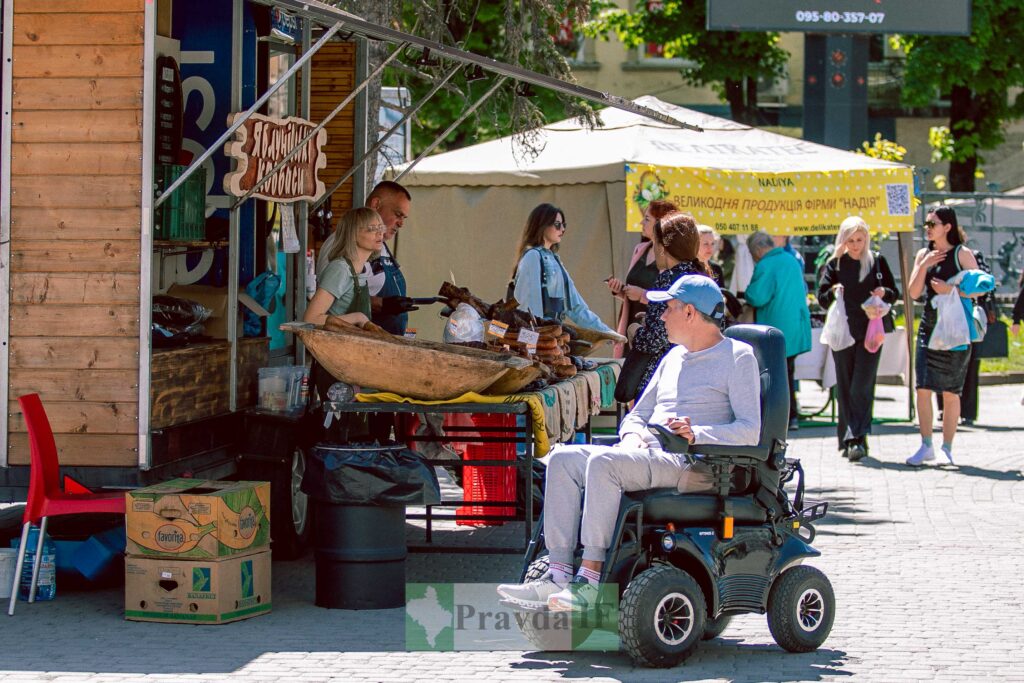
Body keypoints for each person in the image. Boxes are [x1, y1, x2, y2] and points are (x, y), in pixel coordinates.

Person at [496, 275, 760, 612]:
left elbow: (750, 430)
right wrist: (633, 437)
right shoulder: (673, 358)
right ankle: (559, 572)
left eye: (668, 309)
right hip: (651, 455)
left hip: (697, 463)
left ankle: (590, 580)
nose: (661, 316)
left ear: (691, 313)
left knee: (604, 465)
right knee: (562, 458)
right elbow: (638, 414)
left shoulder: (739, 357)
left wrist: (699, 434)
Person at [816, 216, 899, 461]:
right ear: (842, 239)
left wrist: (884, 293)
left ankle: (857, 438)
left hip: (870, 331)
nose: (855, 245)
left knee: (862, 384)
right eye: (850, 240)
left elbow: (894, 293)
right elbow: (821, 297)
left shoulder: (876, 261)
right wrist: (833, 292)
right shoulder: (835, 264)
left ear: (866, 239)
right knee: (845, 384)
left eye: (859, 240)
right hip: (843, 331)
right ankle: (847, 436)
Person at [905, 206, 980, 466]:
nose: (927, 227)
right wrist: (924, 265)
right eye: (926, 223)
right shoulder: (924, 254)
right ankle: (926, 445)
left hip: (955, 329)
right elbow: (913, 293)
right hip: (929, 327)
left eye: (932, 223)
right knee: (922, 388)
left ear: (947, 226)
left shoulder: (962, 254)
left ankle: (947, 447)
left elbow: (980, 289)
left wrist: (951, 290)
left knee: (951, 392)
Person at [627, 212, 712, 400]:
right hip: (700, 379)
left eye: (655, 242)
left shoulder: (669, 280)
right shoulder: (701, 278)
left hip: (665, 382)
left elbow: (654, 340)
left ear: (664, 247)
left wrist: (636, 332)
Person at [317, 180, 416, 335]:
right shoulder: (340, 264)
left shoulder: (375, 249)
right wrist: (366, 313)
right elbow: (322, 311)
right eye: (398, 215)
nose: (401, 224)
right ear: (376, 205)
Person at [744, 230, 812, 431]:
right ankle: (792, 417)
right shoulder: (790, 260)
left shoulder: (766, 264)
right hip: (796, 327)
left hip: (776, 329)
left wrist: (747, 293)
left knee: (775, 376)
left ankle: (783, 418)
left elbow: (757, 297)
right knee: (788, 374)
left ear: (757, 250)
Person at [511, 203, 615, 333]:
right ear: (543, 225)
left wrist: (606, 332)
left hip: (551, 336)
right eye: (557, 225)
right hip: (538, 338)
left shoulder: (554, 260)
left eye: (564, 225)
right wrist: (535, 343)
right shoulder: (532, 257)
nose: (562, 230)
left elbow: (576, 307)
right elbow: (530, 306)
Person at [607, 200, 679, 355]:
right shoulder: (640, 249)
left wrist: (642, 295)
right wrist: (620, 290)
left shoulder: (673, 258)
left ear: (661, 224)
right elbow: (634, 289)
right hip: (630, 331)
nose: (641, 222)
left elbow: (672, 300)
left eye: (647, 219)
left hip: (654, 335)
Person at [936, 247, 995, 425]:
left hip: (968, 316)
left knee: (970, 363)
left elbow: (987, 285)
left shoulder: (973, 255)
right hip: (945, 316)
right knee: (943, 362)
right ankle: (944, 408)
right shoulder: (937, 255)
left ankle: (967, 411)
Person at [303, 207, 383, 327]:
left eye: (381, 228)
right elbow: (311, 319)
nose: (380, 233)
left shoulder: (361, 270)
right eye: (372, 229)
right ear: (353, 234)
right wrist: (358, 317)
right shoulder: (340, 269)